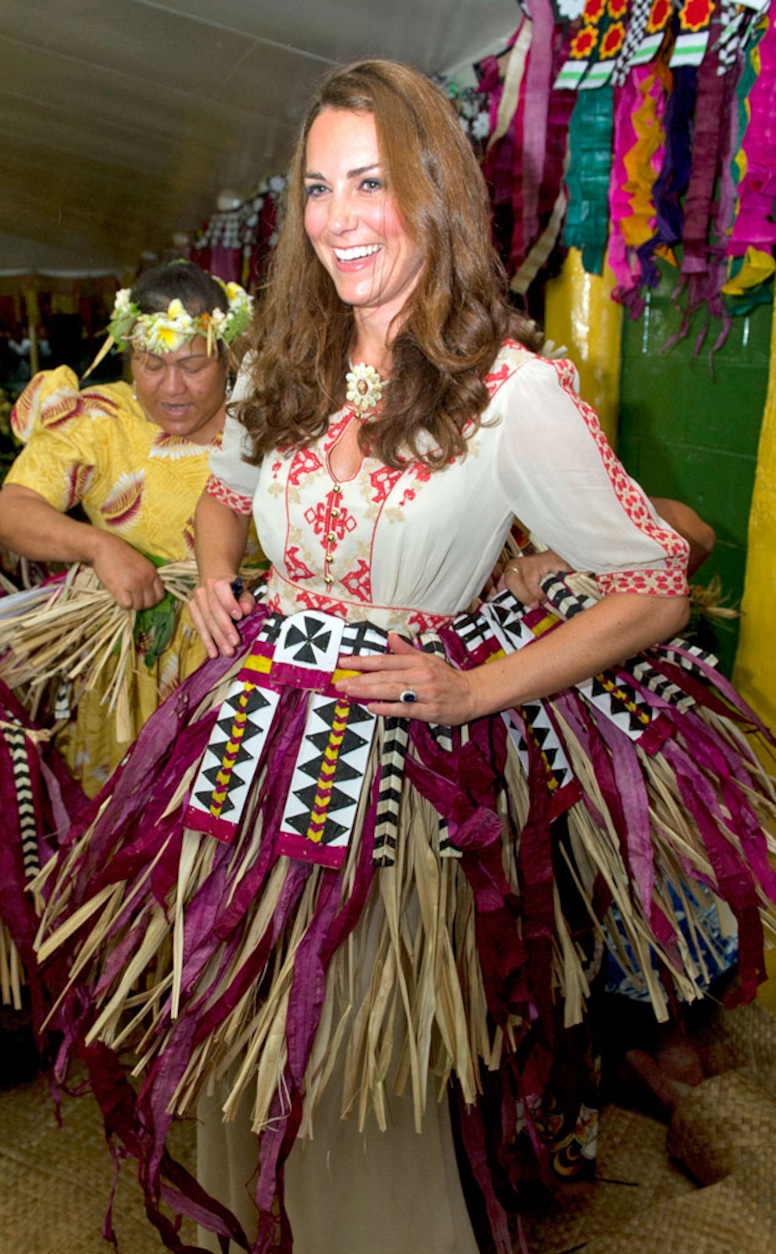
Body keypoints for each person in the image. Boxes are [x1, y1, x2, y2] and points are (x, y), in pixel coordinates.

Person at [34, 61, 776, 1254]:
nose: (337, 217)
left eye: (371, 181)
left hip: (390, 783)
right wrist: (221, 570)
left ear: (433, 192)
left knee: (349, 1074)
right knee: (233, 1036)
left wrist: (476, 685)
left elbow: (651, 589)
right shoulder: (283, 363)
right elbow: (226, 497)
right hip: (243, 757)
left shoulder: (509, 391)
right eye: (318, 186)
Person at [0, 260, 257, 796]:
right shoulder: (100, 420)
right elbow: (13, 506)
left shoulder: (262, 424)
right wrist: (97, 546)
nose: (172, 387)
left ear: (227, 356)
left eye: (192, 365)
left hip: (241, 663)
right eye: (152, 364)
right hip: (126, 680)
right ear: (128, 356)